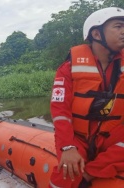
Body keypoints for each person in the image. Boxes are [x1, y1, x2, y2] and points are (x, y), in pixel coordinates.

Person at [49, 7, 124, 188]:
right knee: (66, 173)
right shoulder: (68, 68)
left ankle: (89, 174)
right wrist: (67, 147)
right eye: (118, 26)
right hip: (78, 137)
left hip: (110, 135)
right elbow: (60, 112)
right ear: (97, 34)